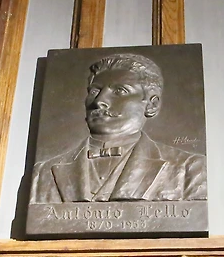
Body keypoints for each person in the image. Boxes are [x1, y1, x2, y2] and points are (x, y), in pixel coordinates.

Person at [30, 53, 207, 203]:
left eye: (120, 91)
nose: (99, 101)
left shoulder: (190, 169)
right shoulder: (43, 173)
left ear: (151, 105)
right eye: (94, 91)